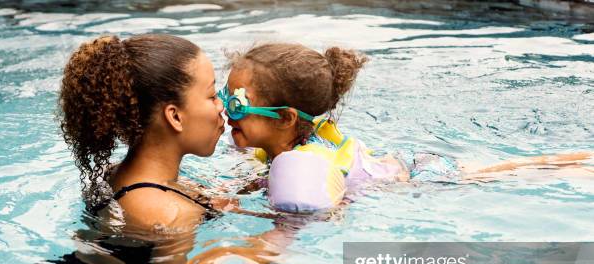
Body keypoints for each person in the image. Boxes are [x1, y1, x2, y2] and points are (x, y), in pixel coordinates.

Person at [31, 34, 275, 264]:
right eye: (211, 95)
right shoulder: (167, 212)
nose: (222, 105)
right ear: (175, 116)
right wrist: (269, 247)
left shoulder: (122, 177)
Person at [221, 43, 592, 212]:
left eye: (235, 103)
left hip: (418, 176)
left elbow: (330, 211)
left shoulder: (307, 162)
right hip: (401, 163)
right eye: (222, 97)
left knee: (508, 173)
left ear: (284, 118)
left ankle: (579, 163)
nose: (225, 111)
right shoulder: (282, 143)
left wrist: (242, 209)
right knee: (504, 170)